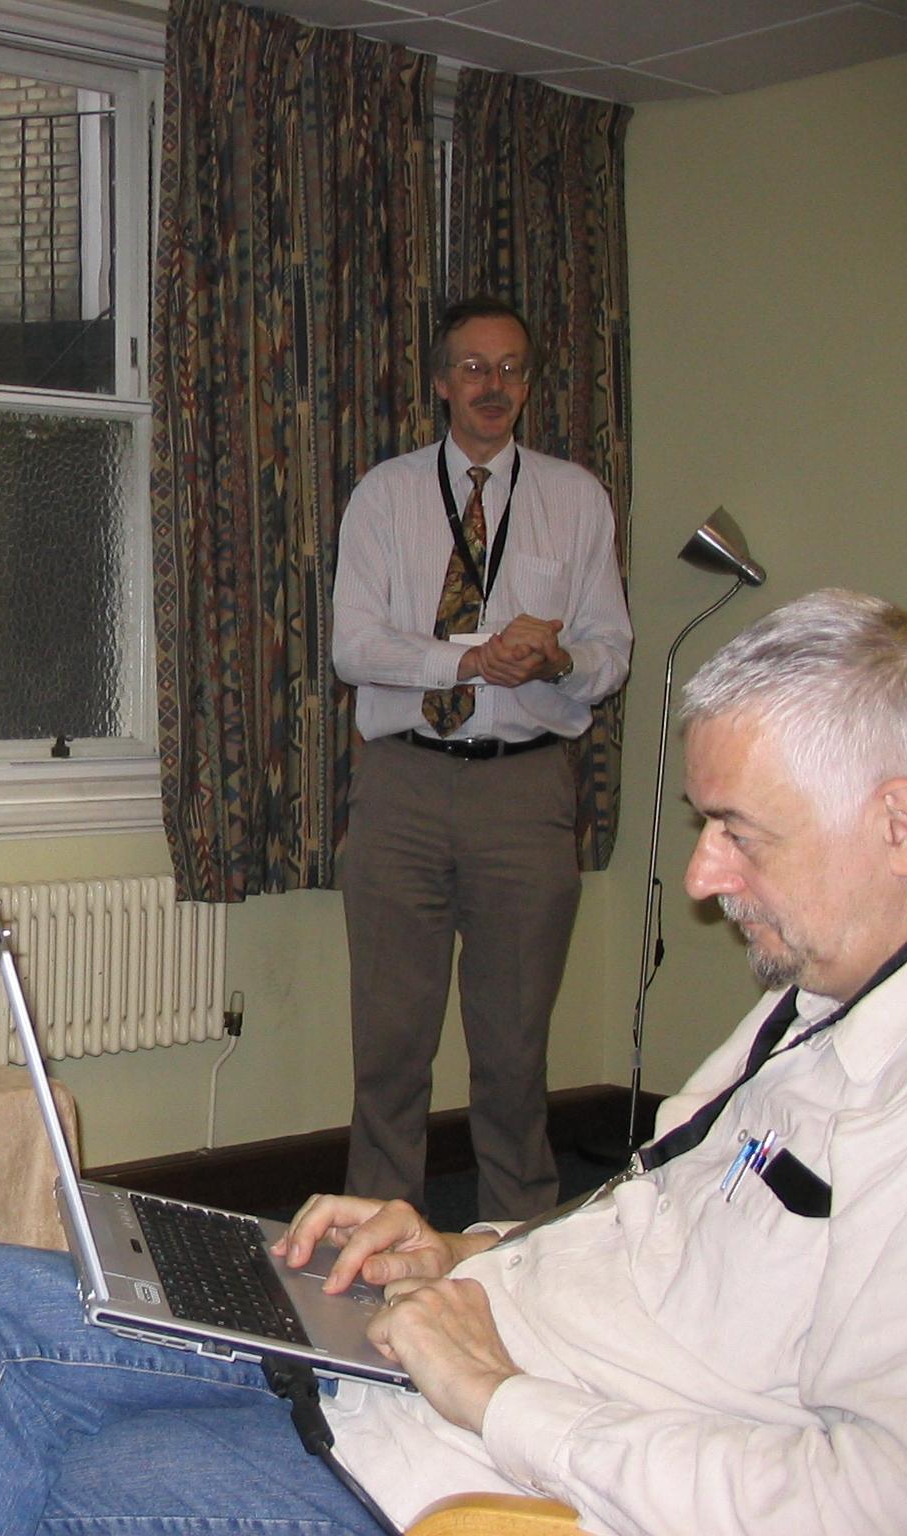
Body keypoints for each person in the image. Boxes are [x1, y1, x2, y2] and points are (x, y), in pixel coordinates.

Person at [0, 589, 907, 1535]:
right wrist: (464, 1245)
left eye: (739, 831)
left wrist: (495, 1394)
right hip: (442, 1335)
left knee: (79, 1467)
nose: (700, 876)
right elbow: (649, 1225)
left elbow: (885, 1500)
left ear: (898, 825)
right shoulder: (809, 1003)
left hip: (495, 1447)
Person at [330, 296, 632, 1219]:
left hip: (525, 794)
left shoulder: (574, 499)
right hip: (403, 788)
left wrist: (556, 659)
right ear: (440, 382)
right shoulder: (385, 495)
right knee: (391, 1046)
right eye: (472, 367)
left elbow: (611, 653)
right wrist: (467, 660)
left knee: (513, 1049)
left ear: (528, 384)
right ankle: (378, 1234)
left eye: (509, 369)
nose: (492, 385)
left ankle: (519, 1235)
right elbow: (354, 647)